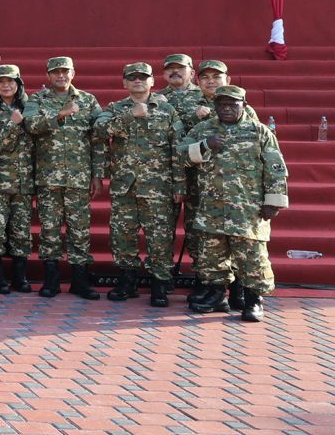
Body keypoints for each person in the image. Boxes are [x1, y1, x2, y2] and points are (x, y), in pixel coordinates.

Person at [181, 85, 289, 322]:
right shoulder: (203, 129)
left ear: (243, 105)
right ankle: (216, 295)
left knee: (252, 258)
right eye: (222, 104)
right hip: (212, 208)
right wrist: (204, 145)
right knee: (212, 256)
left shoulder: (259, 132)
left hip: (247, 210)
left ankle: (253, 301)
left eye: (233, 104)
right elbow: (179, 155)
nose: (227, 108)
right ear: (215, 106)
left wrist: (273, 201)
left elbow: (276, 169)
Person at [94, 62, 185, 307]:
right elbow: (100, 130)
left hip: (159, 187)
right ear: (124, 83)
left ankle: (159, 284)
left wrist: (179, 185)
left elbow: (177, 149)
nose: (137, 81)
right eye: (132, 78)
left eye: (142, 77)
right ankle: (127, 281)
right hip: (125, 186)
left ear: (152, 82)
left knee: (160, 237)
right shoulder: (115, 108)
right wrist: (128, 116)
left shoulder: (168, 110)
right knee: (122, 235)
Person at [25, 56, 103, 300]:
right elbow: (30, 125)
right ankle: (52, 281)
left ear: (73, 73)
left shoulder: (88, 100)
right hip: (49, 177)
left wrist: (98, 174)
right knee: (49, 229)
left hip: (79, 177)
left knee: (79, 229)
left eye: (65, 71)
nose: (60, 76)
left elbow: (97, 139)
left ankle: (80, 280)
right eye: (55, 72)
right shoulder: (38, 99)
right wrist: (60, 114)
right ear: (48, 76)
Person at [0, 65, 34, 294]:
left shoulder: (30, 107)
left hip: (23, 180)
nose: (6, 85)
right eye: (0, 81)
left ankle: (20, 278)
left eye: (10, 81)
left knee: (21, 230)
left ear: (19, 84)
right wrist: (13, 125)